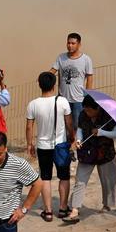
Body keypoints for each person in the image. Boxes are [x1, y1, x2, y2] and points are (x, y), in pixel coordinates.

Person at [63, 95, 116, 224]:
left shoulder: (108, 116)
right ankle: (75, 209)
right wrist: (78, 140)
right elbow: (79, 129)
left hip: (105, 153)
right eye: (85, 109)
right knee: (80, 181)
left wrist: (102, 133)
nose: (87, 112)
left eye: (89, 110)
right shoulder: (83, 114)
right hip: (87, 152)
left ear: (97, 108)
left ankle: (107, 205)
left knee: (108, 181)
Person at [25, 71, 74, 221]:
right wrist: (72, 138)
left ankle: (48, 211)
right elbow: (69, 123)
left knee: (45, 177)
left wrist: (29, 144)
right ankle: (63, 208)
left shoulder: (33, 104)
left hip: (43, 146)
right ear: (54, 85)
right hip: (60, 146)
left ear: (39, 85)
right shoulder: (63, 101)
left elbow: (29, 127)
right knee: (64, 176)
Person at [50, 32, 94, 125]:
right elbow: (52, 71)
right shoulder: (61, 58)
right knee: (62, 125)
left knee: (77, 125)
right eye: (68, 43)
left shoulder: (86, 59)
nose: (70, 46)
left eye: (73, 43)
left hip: (78, 99)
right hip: (63, 98)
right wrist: (44, 76)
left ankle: (76, 140)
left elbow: (89, 78)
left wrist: (88, 96)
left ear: (79, 44)